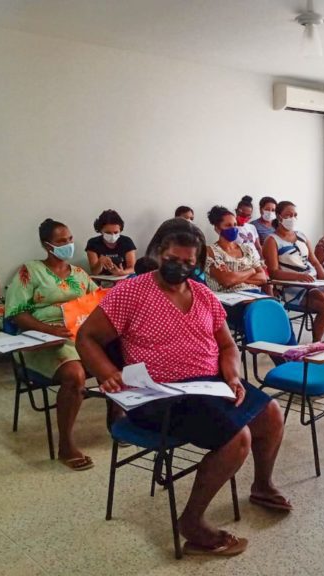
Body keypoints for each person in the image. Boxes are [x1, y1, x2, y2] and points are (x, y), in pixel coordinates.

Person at [76, 217, 290, 556]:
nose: (180, 268)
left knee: (272, 414)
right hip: (158, 394)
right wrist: (105, 371)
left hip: (209, 384)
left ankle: (262, 485)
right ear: (160, 252)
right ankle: (192, 522)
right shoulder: (131, 291)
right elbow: (86, 337)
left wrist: (233, 376)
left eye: (189, 263)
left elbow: (227, 346)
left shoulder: (203, 294)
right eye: (173, 260)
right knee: (238, 438)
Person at [4, 218, 99, 471]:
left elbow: (97, 301)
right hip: (44, 339)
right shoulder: (29, 271)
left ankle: (117, 418)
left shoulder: (79, 274)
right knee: (74, 374)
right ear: (47, 245)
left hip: (80, 334)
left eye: (69, 239)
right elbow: (15, 312)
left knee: (122, 352)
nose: (68, 245)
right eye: (61, 241)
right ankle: (66, 444)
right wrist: (49, 329)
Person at [263, 201, 324, 343]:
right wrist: (298, 276)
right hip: (294, 287)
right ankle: (316, 343)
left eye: (295, 215)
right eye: (288, 215)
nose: (292, 218)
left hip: (314, 282)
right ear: (279, 216)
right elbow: (274, 272)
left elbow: (314, 261)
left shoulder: (301, 236)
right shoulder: (272, 240)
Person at [204, 206, 267, 293]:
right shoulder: (211, 251)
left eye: (235, 225)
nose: (233, 228)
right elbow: (226, 281)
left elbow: (263, 278)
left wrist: (235, 278)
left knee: (273, 305)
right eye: (228, 225)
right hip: (229, 299)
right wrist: (252, 270)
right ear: (217, 228)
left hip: (254, 295)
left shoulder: (247, 249)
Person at [85, 209, 136, 276]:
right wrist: (100, 262)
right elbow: (94, 272)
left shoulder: (127, 241)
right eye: (108, 233)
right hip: (103, 279)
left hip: (124, 277)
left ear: (120, 230)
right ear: (101, 231)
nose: (112, 235)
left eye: (116, 232)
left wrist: (122, 272)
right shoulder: (93, 243)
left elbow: (132, 268)